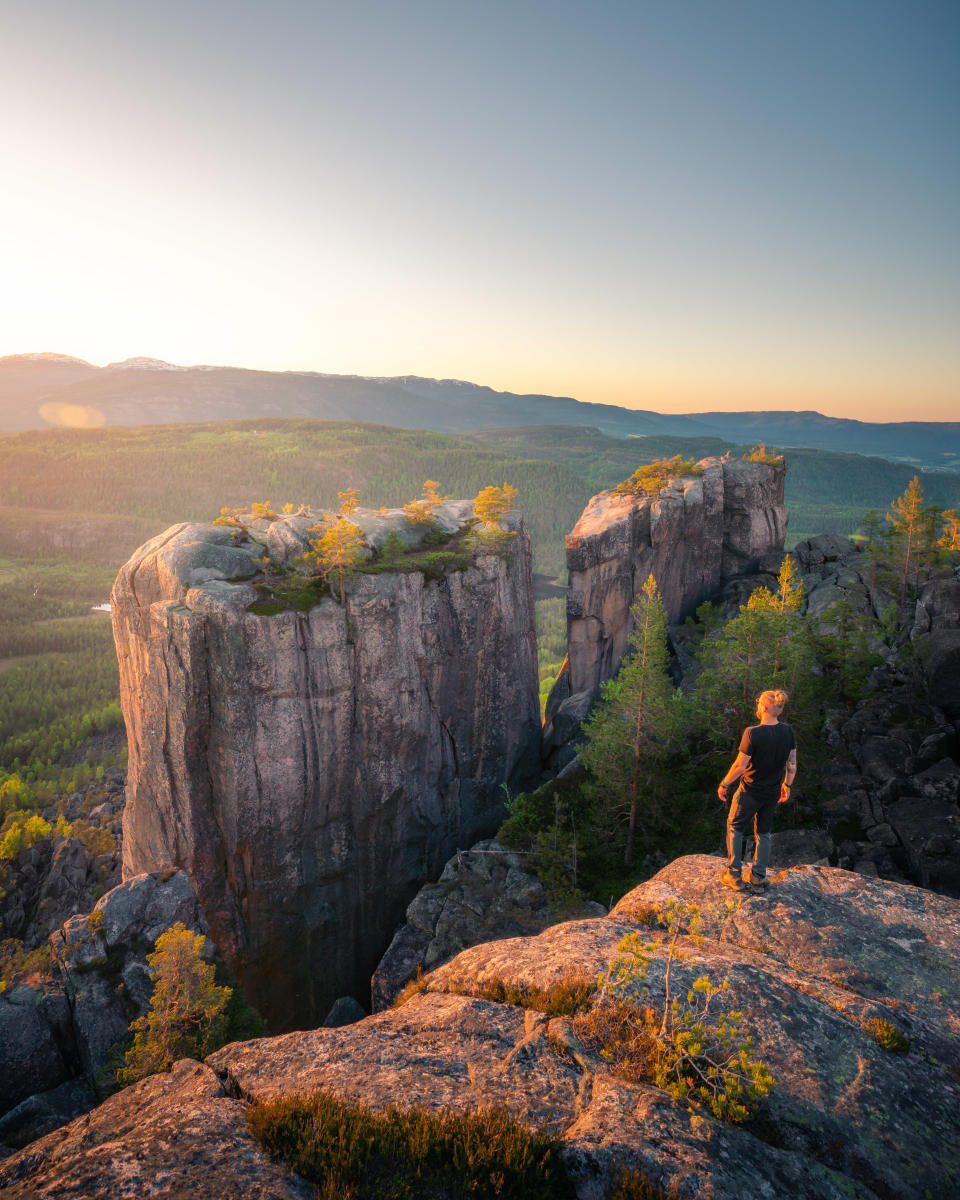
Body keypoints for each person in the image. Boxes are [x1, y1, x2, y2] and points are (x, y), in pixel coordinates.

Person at [717, 689, 797, 893]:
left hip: (750, 791)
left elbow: (739, 766)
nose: (757, 705)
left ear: (764, 708)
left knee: (734, 827)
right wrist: (787, 785)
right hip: (772, 792)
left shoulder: (752, 733)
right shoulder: (787, 731)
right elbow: (792, 764)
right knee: (763, 833)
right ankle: (757, 879)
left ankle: (734, 875)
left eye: (758, 702)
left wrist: (724, 784)